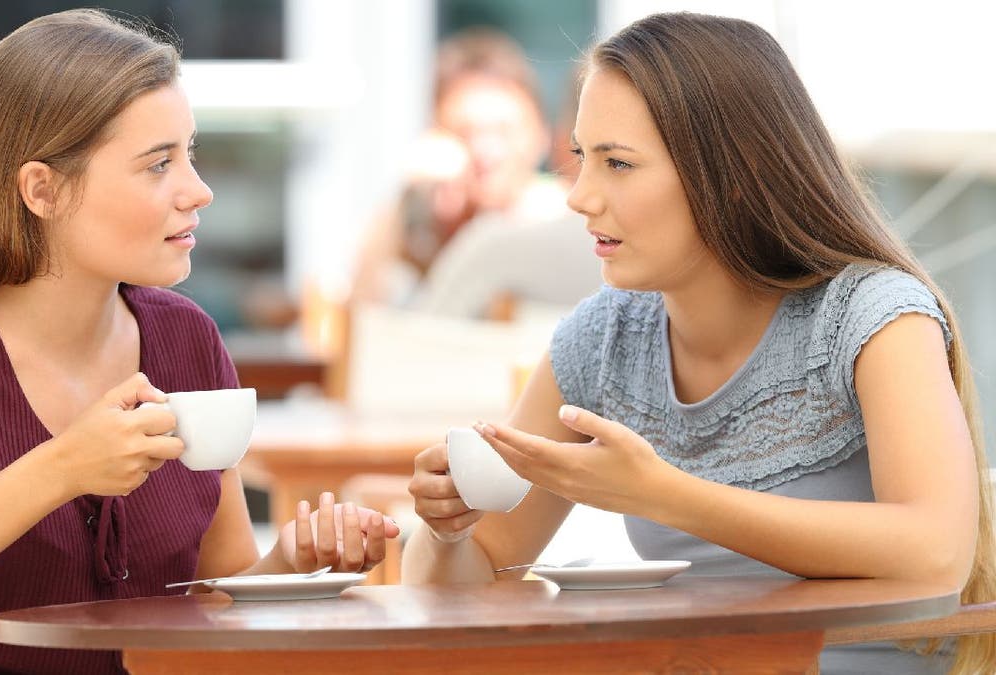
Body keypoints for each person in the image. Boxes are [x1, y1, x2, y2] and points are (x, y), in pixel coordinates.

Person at [0, 10, 397, 673]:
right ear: (42, 190)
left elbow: (213, 603)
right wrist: (61, 469)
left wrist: (293, 565)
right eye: (157, 164)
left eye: (188, 153)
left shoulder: (187, 339)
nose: (198, 190)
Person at [402, 12, 994, 674]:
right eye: (580, 159)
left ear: (729, 175)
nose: (581, 196)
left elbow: (937, 549)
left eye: (618, 164)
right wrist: (448, 530)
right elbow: (469, 583)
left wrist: (664, 494)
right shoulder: (607, 337)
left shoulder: (870, 317)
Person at [351, 27, 571, 314]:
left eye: (504, 131)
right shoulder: (425, 232)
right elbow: (360, 323)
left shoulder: (563, 218)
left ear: (541, 135)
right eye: (466, 132)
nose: (486, 152)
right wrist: (403, 200)